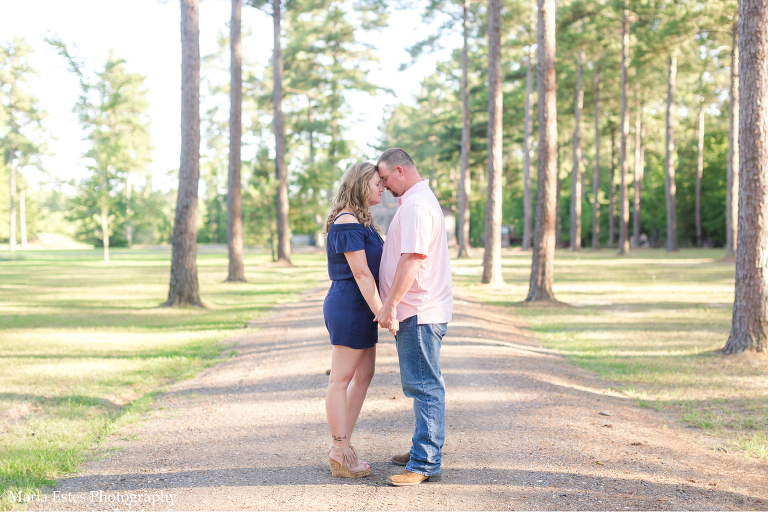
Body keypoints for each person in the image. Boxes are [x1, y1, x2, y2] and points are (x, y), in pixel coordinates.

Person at [374, 148, 453, 486]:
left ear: (401, 171)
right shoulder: (414, 201)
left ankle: (424, 463)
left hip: (417, 311)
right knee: (419, 384)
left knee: (423, 386)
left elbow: (412, 260)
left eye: (385, 177)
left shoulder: (418, 206)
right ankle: (423, 447)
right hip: (417, 310)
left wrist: (390, 306)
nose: (383, 184)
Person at [322, 161, 395, 479]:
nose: (383, 187)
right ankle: (339, 450)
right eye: (378, 182)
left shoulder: (361, 222)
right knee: (340, 379)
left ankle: (343, 445)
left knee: (364, 375)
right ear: (361, 183)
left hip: (360, 306)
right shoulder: (347, 222)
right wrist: (383, 311)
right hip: (351, 306)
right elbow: (362, 273)